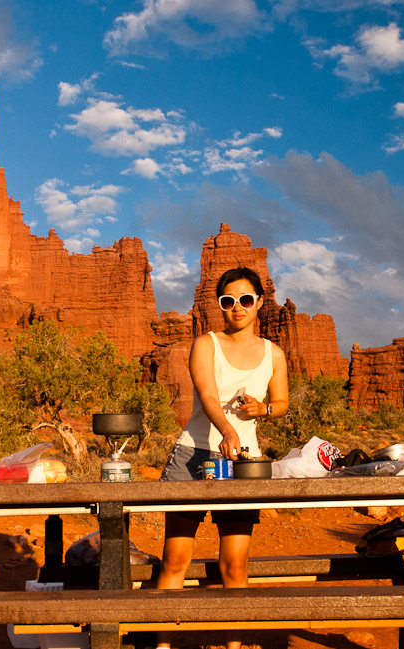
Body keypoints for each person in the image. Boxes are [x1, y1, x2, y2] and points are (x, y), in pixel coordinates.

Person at [155, 266, 289, 649]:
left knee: (235, 565)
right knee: (176, 560)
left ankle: (233, 645)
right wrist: (227, 429)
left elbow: (281, 403)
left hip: (244, 462)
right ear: (220, 306)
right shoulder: (206, 344)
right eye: (228, 301)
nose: (237, 307)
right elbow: (208, 396)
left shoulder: (273, 354)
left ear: (260, 302)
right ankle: (164, 644)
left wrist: (261, 410)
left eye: (246, 299)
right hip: (193, 455)